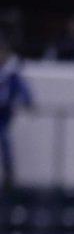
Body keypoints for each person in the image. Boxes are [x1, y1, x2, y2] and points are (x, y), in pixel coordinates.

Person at [0, 44, 34, 188]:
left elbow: (23, 89)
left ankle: (9, 174)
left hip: (4, 112)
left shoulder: (11, 73)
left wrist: (27, 101)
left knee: (4, 139)